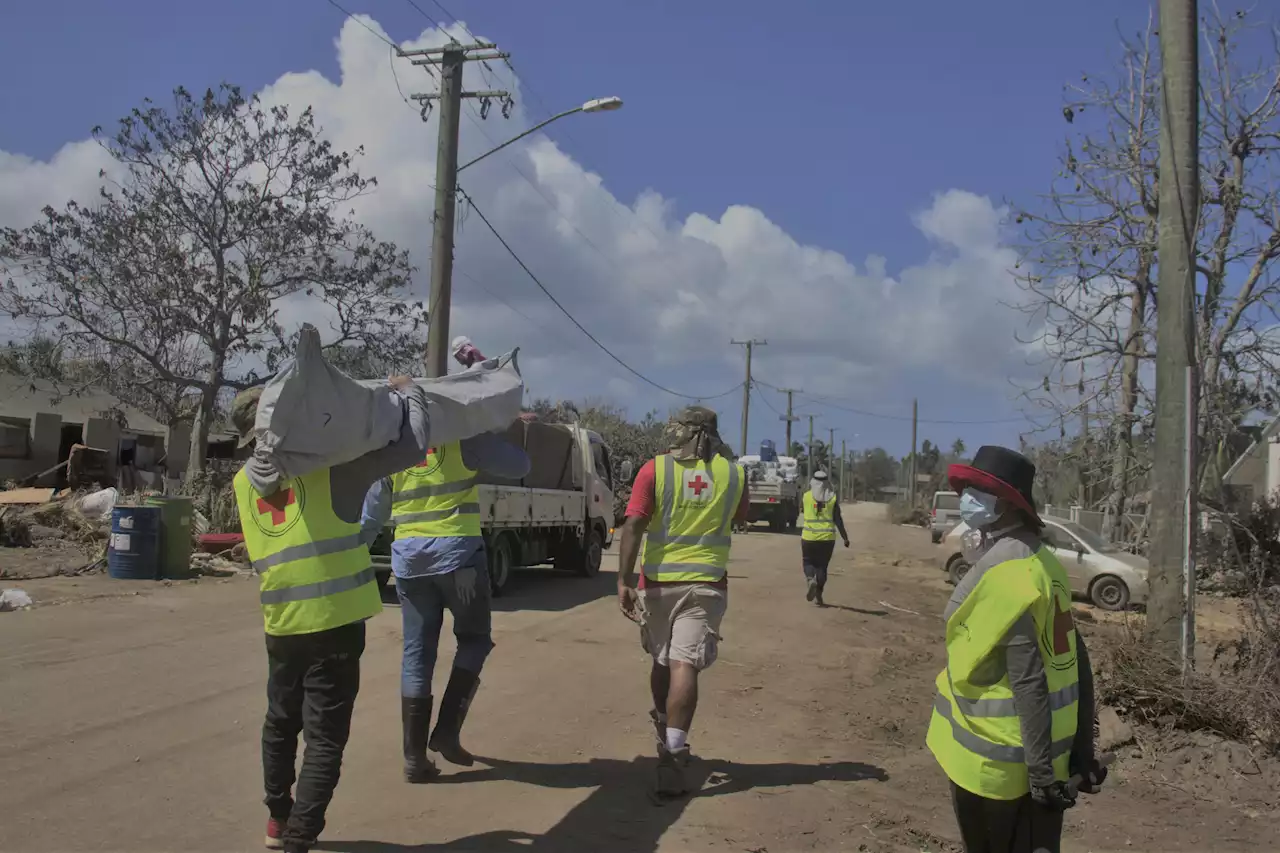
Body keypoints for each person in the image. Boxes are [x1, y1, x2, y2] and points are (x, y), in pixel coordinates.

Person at [232, 376, 430, 853]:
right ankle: (301, 836)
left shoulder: (241, 482)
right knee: (325, 738)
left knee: (280, 723)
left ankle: (279, 822)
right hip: (335, 621)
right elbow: (413, 446)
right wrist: (411, 395)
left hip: (281, 620)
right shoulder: (329, 470)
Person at [925, 445, 1107, 853]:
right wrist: (1080, 754)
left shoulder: (1006, 576)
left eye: (976, 490)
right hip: (1045, 760)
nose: (965, 498)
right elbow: (1077, 663)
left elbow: (1028, 680)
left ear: (1007, 504)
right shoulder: (1045, 564)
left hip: (997, 766)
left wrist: (1041, 774)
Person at [361, 432, 529, 782]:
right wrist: (484, 436)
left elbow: (370, 518)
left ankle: (414, 758)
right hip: (460, 561)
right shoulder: (463, 441)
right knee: (474, 640)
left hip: (410, 563)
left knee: (416, 655)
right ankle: (447, 731)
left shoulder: (392, 447)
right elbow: (520, 466)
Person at [615, 406, 749, 798]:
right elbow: (740, 518)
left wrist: (623, 580)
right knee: (683, 663)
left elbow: (634, 523)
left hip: (657, 583)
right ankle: (673, 751)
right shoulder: (735, 473)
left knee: (663, 660)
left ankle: (665, 728)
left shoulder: (654, 470)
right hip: (707, 584)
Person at [799, 470, 849, 606]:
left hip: (808, 537)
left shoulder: (806, 496)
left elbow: (802, 510)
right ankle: (819, 593)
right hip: (827, 539)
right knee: (822, 567)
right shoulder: (832, 498)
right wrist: (845, 538)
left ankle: (810, 580)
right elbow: (838, 519)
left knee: (808, 562)